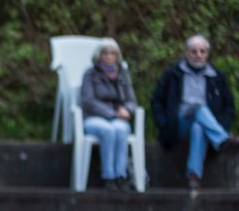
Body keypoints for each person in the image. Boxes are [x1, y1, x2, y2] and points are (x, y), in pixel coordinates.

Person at [150, 35, 239, 189]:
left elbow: (229, 106)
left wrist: (223, 124)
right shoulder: (172, 74)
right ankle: (222, 139)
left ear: (207, 54)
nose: (198, 55)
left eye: (202, 51)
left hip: (205, 125)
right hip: (179, 124)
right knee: (199, 108)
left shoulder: (217, 77)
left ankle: (194, 175)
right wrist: (163, 124)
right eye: (194, 51)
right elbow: (156, 101)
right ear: (186, 53)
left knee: (198, 126)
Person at [79, 39, 138, 190]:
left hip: (118, 118)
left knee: (121, 130)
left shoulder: (123, 74)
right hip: (94, 118)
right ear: (99, 55)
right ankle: (108, 176)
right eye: (105, 53)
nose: (109, 56)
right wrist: (111, 113)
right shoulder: (90, 74)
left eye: (112, 53)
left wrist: (128, 110)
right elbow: (87, 101)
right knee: (108, 131)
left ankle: (121, 175)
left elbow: (132, 100)